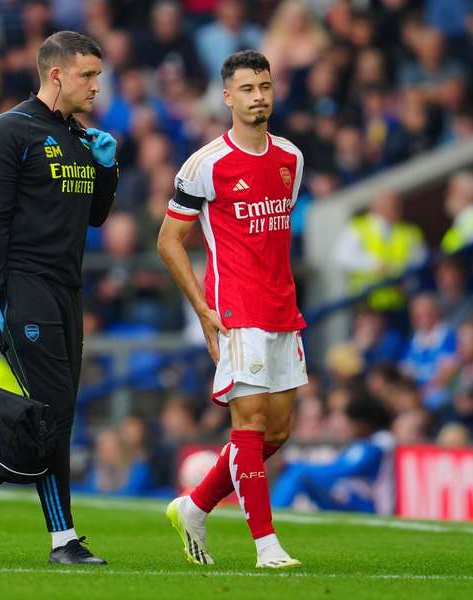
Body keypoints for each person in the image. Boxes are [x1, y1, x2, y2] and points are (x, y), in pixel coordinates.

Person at [0, 31, 118, 565]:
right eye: (87, 75)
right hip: (23, 290)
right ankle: (64, 540)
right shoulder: (8, 132)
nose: (96, 86)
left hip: (67, 290)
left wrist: (108, 168)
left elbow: (98, 216)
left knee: (49, 417)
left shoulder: (80, 138)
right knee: (54, 417)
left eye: (99, 76)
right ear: (55, 75)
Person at [157, 50, 305, 569]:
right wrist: (202, 308)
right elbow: (169, 241)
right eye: (247, 88)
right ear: (227, 97)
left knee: (278, 431)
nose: (258, 96)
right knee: (250, 419)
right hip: (235, 308)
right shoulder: (205, 164)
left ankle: (194, 506)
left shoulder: (291, 158)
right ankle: (266, 546)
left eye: (264, 86)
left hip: (283, 308)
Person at [271, 391, 394, 513]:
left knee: (299, 473)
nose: (345, 425)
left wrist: (293, 465)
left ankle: (273, 515)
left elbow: (338, 470)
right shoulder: (365, 444)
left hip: (370, 506)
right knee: (301, 475)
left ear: (362, 424)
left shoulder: (376, 444)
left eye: (348, 421)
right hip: (355, 499)